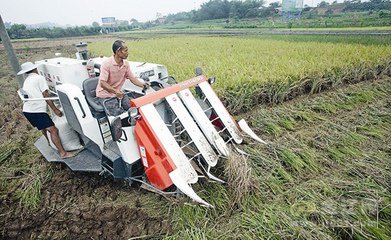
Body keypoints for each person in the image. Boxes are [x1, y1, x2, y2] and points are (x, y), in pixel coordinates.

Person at [18, 62, 76, 159]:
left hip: (27, 110)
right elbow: (46, 95)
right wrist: (55, 109)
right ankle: (63, 153)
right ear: (35, 69)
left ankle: (49, 142)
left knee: (43, 127)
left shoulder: (27, 80)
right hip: (36, 110)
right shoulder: (39, 78)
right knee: (54, 130)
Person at [96, 39, 149, 111]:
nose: (127, 53)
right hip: (105, 95)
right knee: (117, 112)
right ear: (118, 51)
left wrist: (143, 85)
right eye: (125, 50)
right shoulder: (107, 64)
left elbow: (132, 78)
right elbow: (102, 83)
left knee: (132, 108)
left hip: (118, 94)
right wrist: (115, 91)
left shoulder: (125, 64)